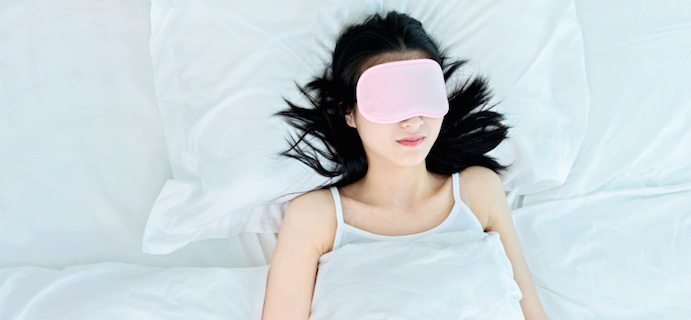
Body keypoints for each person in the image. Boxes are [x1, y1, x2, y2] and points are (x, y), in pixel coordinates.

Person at [262, 10, 549, 320]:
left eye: (423, 96)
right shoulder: (316, 217)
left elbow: (531, 312)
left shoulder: (478, 191)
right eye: (389, 101)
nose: (413, 120)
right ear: (349, 113)